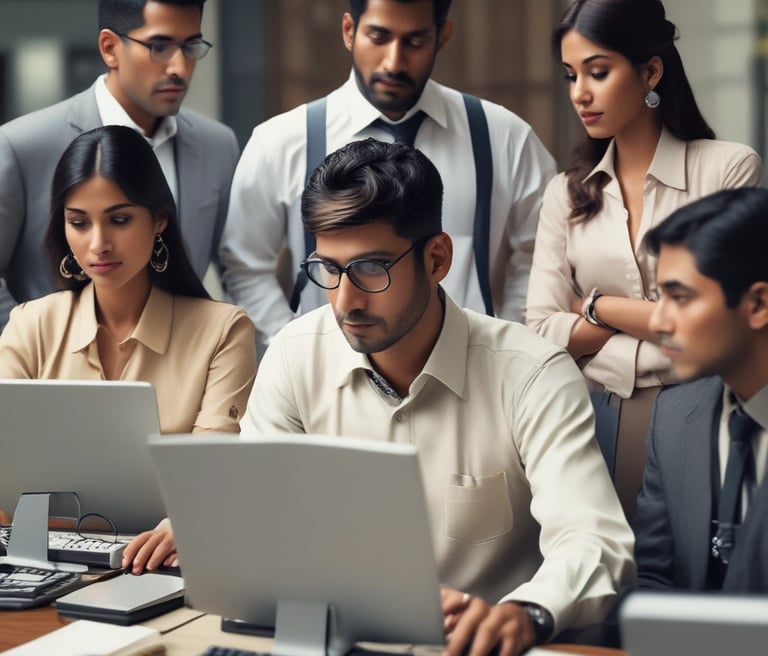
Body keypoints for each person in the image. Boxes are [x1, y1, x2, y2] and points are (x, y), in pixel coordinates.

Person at [241, 139, 635, 655]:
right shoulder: (294, 355)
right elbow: (251, 514)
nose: (345, 300)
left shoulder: (532, 373)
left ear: (437, 258)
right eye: (329, 269)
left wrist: (527, 613)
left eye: (370, 268)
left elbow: (594, 541)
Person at [525, 0, 762, 520]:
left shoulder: (728, 169)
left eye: (598, 72)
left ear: (650, 70)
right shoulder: (566, 194)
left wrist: (594, 307)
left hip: (699, 411)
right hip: (589, 416)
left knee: (686, 579)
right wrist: (659, 316)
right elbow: (540, 329)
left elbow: (723, 318)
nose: (579, 94)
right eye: (570, 76)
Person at [219, 0, 556, 354]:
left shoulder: (503, 137)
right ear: (349, 31)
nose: (394, 61)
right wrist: (297, 353)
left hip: (473, 378)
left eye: (414, 41)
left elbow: (540, 252)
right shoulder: (282, 141)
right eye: (378, 37)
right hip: (329, 387)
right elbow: (245, 265)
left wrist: (509, 343)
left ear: (443, 37)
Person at [0, 125, 257, 572]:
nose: (97, 243)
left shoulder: (223, 331)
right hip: (39, 561)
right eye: (79, 222)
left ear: (159, 220)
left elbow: (216, 469)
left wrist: (184, 520)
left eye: (119, 219)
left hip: (167, 563)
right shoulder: (30, 325)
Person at [0, 0, 239, 329]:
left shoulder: (218, 145)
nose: (180, 67)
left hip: (181, 368)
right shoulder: (22, 144)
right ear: (110, 48)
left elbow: (238, 271)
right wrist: (32, 356)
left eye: (191, 46)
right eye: (159, 46)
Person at [634, 187, 768, 593]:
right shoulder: (673, 417)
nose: (658, 322)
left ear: (759, 304)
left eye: (680, 297)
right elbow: (652, 578)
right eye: (659, 297)